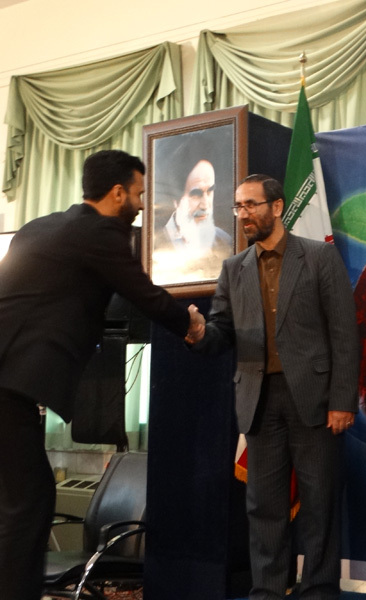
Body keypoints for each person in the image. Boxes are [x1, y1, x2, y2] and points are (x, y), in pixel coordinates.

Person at [0, 150, 205, 600]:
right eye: (139, 194)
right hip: (9, 386)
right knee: (30, 502)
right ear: (117, 193)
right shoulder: (101, 233)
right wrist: (190, 323)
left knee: (21, 500)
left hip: (10, 382)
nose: (142, 204)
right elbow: (143, 294)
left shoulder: (39, 227)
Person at [188, 174, 359, 599]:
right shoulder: (234, 268)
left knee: (320, 504)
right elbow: (221, 331)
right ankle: (266, 591)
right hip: (259, 401)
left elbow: (344, 333)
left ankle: (318, 590)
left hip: (314, 401)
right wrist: (199, 333)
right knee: (263, 507)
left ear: (277, 206)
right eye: (238, 206)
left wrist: (342, 400)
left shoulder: (319, 257)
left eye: (251, 205)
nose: (243, 214)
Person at [152, 147, 232, 284]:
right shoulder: (155, 246)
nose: (205, 205)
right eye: (196, 194)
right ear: (176, 200)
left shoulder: (225, 241)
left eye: (210, 191)